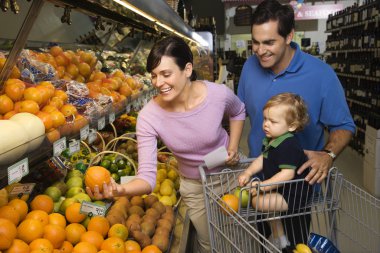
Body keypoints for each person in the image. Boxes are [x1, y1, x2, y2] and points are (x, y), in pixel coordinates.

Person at [87, 36, 246, 253]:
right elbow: (147, 178)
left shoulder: (217, 95)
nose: (158, 83)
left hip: (229, 174)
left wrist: (233, 146)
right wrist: (119, 189)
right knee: (210, 244)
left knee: (239, 236)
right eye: (153, 75)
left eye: (166, 74)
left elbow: (238, 111)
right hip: (195, 186)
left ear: (187, 70)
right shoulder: (148, 117)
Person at [237, 0, 355, 246]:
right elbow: (238, 111)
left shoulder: (321, 75)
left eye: (269, 42)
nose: (259, 50)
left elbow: (344, 126)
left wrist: (328, 154)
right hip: (259, 178)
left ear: (289, 36)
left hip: (296, 189)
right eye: (255, 42)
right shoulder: (249, 67)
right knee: (261, 242)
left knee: (295, 245)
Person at [238, 92, 312, 250]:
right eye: (265, 119)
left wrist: (262, 186)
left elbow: (287, 174)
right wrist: (248, 172)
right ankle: (279, 236)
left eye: (273, 121)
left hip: (294, 194)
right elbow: (262, 158)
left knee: (258, 201)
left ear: (291, 126)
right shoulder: (273, 139)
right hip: (282, 190)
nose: (266, 124)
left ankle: (279, 237)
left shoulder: (289, 145)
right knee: (260, 198)